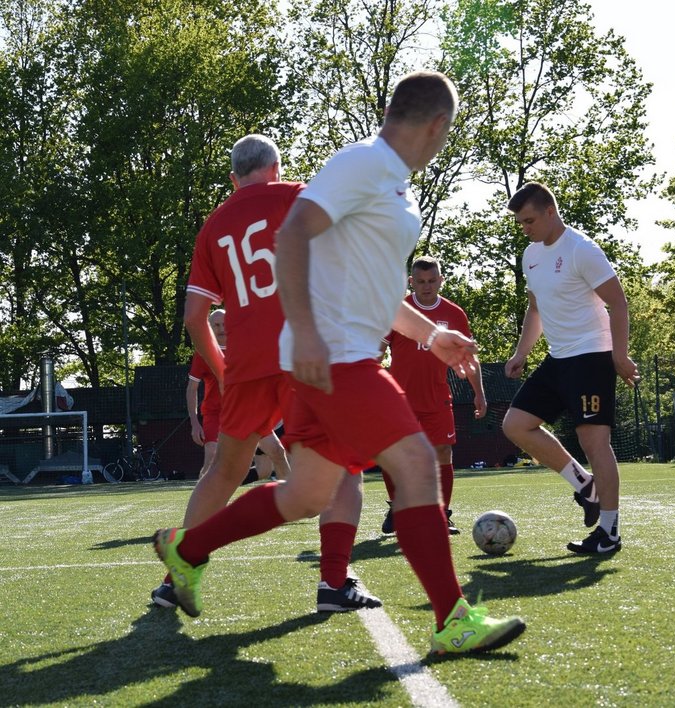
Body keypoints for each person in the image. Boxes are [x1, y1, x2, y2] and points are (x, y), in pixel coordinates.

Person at [153, 71, 526, 655]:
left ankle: (188, 549)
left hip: (328, 361)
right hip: (335, 357)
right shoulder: (364, 165)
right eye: (447, 131)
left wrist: (431, 336)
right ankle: (453, 618)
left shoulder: (389, 182)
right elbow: (294, 235)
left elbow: (371, 285)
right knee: (417, 464)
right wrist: (302, 332)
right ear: (435, 126)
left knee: (304, 495)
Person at [152, 133, 377, 614]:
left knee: (223, 471)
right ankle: (334, 582)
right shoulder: (301, 197)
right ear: (276, 167)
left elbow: (195, 316)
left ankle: (176, 578)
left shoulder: (214, 225)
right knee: (342, 470)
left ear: (234, 178)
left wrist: (224, 371)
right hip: (305, 357)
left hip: (248, 366)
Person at [502, 182, 639, 555]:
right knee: (515, 425)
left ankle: (609, 532)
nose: (525, 228)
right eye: (520, 222)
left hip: (591, 358)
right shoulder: (530, 255)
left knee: (595, 443)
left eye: (529, 220)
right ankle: (585, 486)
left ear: (550, 212)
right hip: (557, 359)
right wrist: (520, 353)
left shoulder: (582, 250)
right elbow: (535, 309)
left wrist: (619, 356)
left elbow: (619, 304)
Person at [379, 256, 487, 535]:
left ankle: (441, 514)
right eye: (421, 282)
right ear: (411, 282)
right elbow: (376, 350)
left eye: (432, 281)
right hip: (399, 397)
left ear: (441, 280)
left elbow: (468, 358)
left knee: (443, 451)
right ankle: (398, 507)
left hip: (437, 397)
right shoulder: (398, 309)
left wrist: (480, 394)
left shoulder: (455, 314)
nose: (427, 287)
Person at [186, 309, 227, 479]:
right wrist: (195, 423)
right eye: (216, 325)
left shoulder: (243, 348)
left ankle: (292, 502)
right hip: (215, 414)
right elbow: (191, 389)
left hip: (242, 412)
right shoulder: (203, 352)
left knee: (276, 451)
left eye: (224, 324)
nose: (221, 328)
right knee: (211, 457)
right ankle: (202, 503)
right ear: (209, 327)